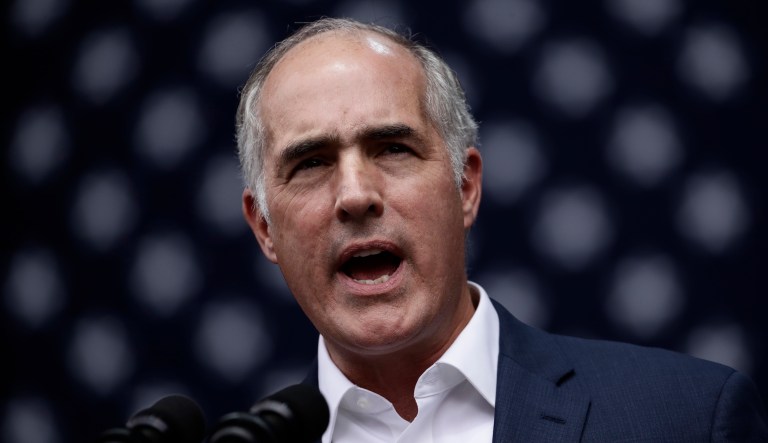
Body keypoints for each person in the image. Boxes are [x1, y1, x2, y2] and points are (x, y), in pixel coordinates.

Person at [237, 17, 767, 442]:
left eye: (393, 148)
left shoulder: (688, 417)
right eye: (310, 163)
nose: (355, 195)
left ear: (464, 187)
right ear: (264, 227)